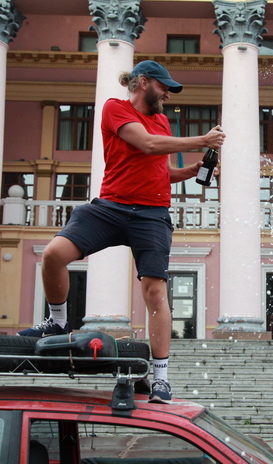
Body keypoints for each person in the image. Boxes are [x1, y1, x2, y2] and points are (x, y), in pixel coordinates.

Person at [18, 60, 225, 404]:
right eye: (164, 88)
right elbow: (146, 145)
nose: (167, 96)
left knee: (154, 292)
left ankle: (160, 379)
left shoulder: (160, 120)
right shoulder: (115, 108)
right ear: (143, 83)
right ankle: (57, 321)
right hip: (110, 207)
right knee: (54, 255)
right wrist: (201, 138)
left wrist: (191, 170)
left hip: (151, 214)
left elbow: (158, 168)